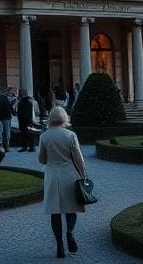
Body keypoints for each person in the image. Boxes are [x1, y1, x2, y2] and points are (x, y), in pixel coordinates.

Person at [38, 106, 87, 258]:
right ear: (65, 118)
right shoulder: (70, 135)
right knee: (71, 208)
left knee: (55, 212)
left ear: (51, 119)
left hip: (52, 175)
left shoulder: (44, 136)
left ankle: (59, 245)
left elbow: (42, 159)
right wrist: (84, 174)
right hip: (69, 174)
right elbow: (78, 158)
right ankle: (70, 233)